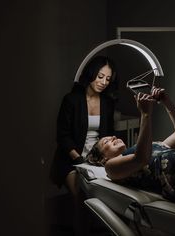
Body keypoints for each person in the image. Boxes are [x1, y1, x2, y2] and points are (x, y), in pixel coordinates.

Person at [86, 87, 175, 214]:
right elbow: (141, 159)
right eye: (106, 141)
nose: (113, 137)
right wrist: (145, 114)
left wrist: (167, 102)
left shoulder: (147, 146)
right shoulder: (111, 167)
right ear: (103, 159)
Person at [50, 55, 118, 235]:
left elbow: (109, 135)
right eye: (100, 76)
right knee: (82, 197)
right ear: (91, 74)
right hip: (72, 160)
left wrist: (101, 160)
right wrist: (80, 160)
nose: (104, 82)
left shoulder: (107, 103)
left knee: (104, 198)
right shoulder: (71, 100)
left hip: (97, 160)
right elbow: (62, 136)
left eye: (108, 79)